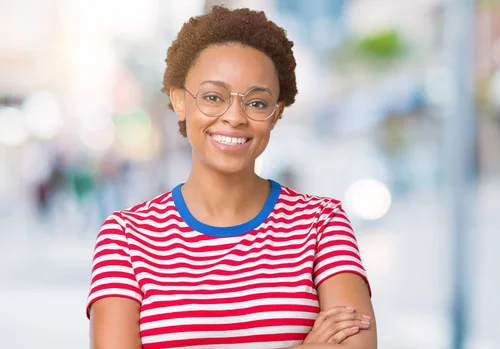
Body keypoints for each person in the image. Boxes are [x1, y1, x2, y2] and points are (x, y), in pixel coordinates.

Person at [87, 5, 376, 349]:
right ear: (180, 101)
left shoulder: (322, 224)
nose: (235, 117)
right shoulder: (126, 239)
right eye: (213, 97)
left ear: (276, 113)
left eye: (256, 103)